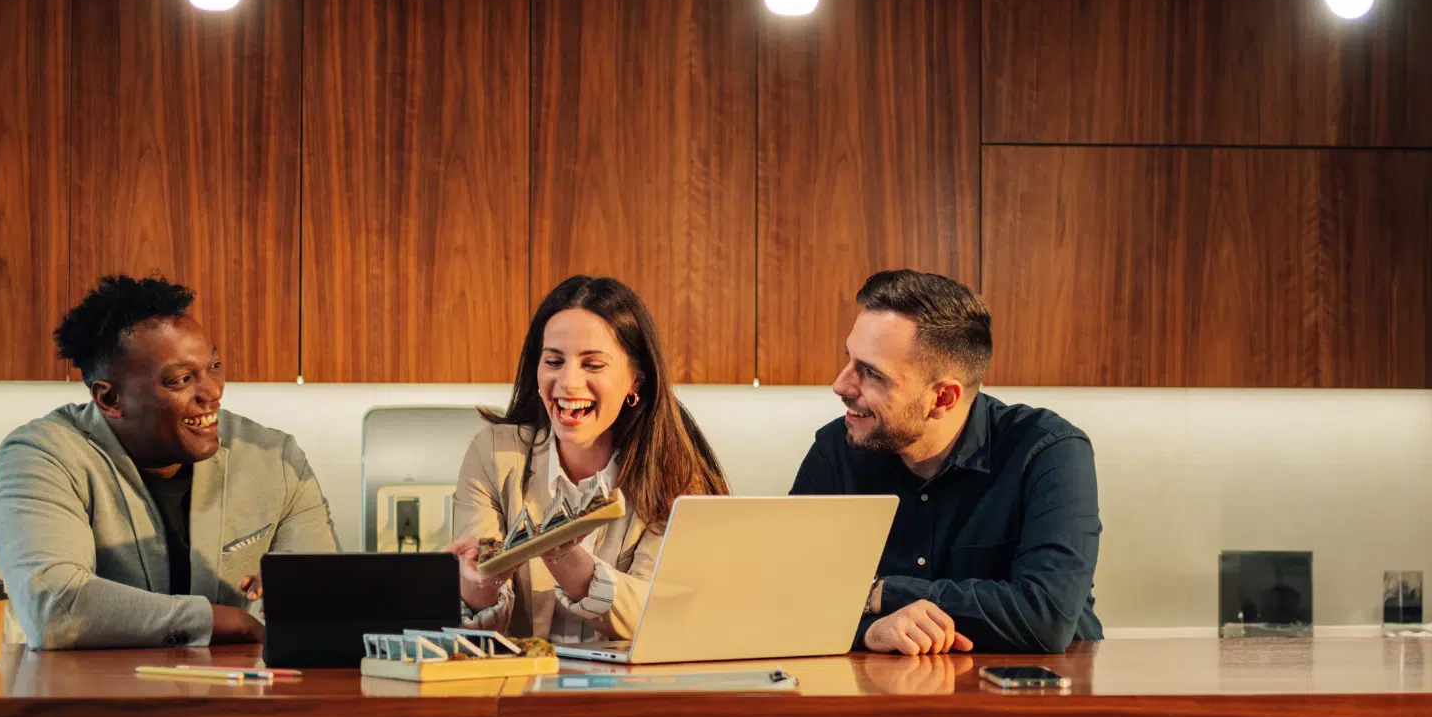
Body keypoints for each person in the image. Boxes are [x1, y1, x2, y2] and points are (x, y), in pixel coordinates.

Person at [0, 274, 339, 649]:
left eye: (215, 366)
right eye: (181, 380)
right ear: (109, 400)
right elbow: (55, 608)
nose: (213, 391)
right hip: (94, 702)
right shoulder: (42, 454)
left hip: (236, 699)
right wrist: (224, 621)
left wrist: (297, 590)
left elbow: (326, 595)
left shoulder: (275, 458)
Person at [790, 270, 1102, 654]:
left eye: (871, 373)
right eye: (849, 360)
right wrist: (868, 632)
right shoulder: (835, 449)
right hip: (881, 698)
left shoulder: (1047, 451)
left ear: (943, 398)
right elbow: (789, 599)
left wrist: (880, 592)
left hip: (1036, 701)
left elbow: (1045, 616)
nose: (841, 385)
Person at [445, 276, 728, 641]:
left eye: (592, 365)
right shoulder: (493, 454)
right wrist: (478, 583)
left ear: (636, 381)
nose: (567, 382)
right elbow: (480, 634)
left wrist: (566, 560)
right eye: (554, 361)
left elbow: (666, 616)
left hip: (638, 694)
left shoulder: (677, 472)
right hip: (522, 691)